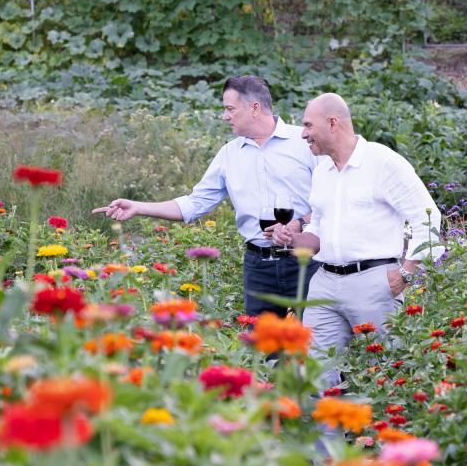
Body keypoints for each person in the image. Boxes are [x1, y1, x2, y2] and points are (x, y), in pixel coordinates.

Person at [93, 75, 317, 316]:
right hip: (258, 268)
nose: (225, 116)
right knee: (262, 350)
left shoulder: (305, 143)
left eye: (230, 109)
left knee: (313, 346)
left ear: (255, 108)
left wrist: (300, 224)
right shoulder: (229, 154)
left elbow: (333, 201)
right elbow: (194, 204)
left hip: (306, 262)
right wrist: (138, 207)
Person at [270, 93, 442, 385]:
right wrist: (293, 238)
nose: (303, 134)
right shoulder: (322, 170)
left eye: (308, 125)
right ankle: (326, 430)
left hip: (374, 283)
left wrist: (406, 273)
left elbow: (428, 217)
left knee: (386, 373)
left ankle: (383, 431)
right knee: (315, 375)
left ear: (333, 123)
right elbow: (320, 231)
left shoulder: (382, 162)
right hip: (324, 283)